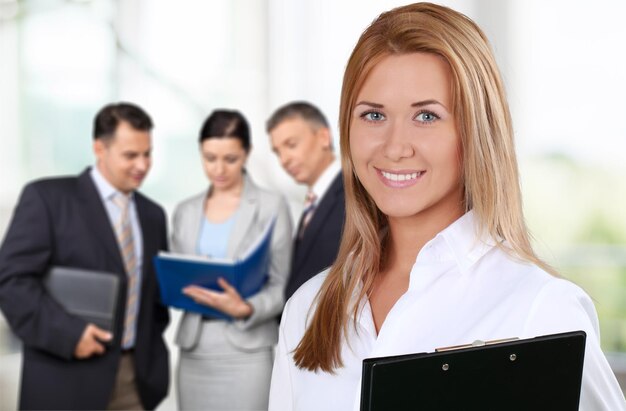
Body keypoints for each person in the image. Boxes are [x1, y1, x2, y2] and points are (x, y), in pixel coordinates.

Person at [268, 3, 626, 411]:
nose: (395, 147)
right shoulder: (308, 310)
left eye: (426, 115)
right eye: (373, 114)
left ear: (475, 131)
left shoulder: (540, 309)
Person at [0, 102, 169, 410]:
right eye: (130, 155)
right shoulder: (47, 199)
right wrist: (70, 334)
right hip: (65, 379)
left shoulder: (152, 214)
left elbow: (154, 302)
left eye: (148, 153)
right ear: (99, 148)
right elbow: (11, 283)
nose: (142, 165)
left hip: (135, 382)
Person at [171, 109, 293, 410]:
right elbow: (176, 276)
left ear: (247, 154)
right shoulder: (185, 211)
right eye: (209, 158)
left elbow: (281, 284)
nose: (219, 169)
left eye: (230, 159)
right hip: (195, 349)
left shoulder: (270, 206)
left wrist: (247, 307)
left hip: (247, 352)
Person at [267, 101, 345, 301]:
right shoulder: (314, 200)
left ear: (324, 137)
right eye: (278, 152)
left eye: (291, 145)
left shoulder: (354, 192)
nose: (284, 159)